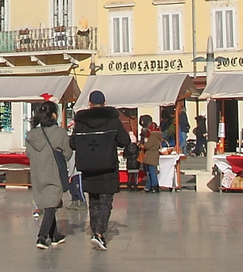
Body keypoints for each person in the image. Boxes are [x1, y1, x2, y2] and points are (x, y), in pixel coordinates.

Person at [70, 90, 132, 250]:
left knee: (94, 200)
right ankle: (99, 233)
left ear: (89, 103)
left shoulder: (81, 123)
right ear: (104, 103)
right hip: (108, 166)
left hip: (88, 167)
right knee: (105, 201)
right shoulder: (113, 121)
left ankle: (95, 230)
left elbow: (73, 144)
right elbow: (124, 140)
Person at [24, 101, 72, 249]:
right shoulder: (60, 133)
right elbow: (68, 153)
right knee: (51, 205)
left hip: (38, 172)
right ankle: (42, 236)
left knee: (50, 202)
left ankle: (55, 234)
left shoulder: (32, 135)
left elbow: (28, 154)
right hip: (53, 172)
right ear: (53, 115)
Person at [139, 118, 164, 192]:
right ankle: (150, 186)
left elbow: (147, 146)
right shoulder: (157, 135)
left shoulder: (152, 136)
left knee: (151, 172)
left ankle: (154, 186)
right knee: (151, 172)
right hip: (153, 155)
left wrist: (143, 146)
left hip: (150, 155)